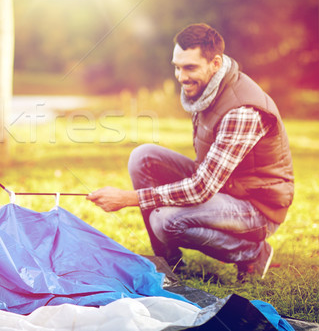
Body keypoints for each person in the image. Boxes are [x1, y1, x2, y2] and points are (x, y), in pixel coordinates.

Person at [87, 23, 294, 281]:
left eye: (190, 67)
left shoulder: (242, 109)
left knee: (165, 221)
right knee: (143, 157)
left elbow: (202, 188)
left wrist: (128, 198)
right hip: (226, 185)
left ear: (215, 63)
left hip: (258, 206)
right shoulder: (207, 88)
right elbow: (206, 175)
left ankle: (252, 251)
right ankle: (168, 264)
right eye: (177, 66)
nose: (181, 76)